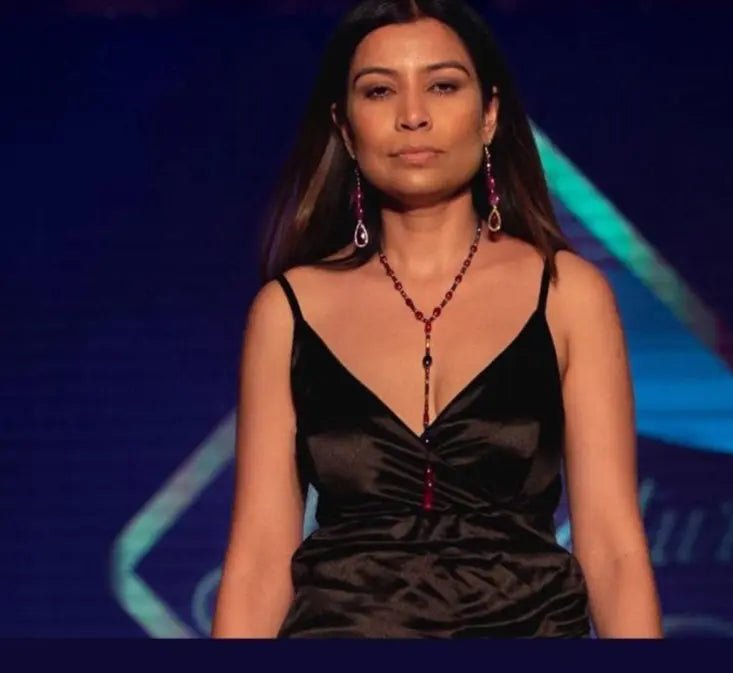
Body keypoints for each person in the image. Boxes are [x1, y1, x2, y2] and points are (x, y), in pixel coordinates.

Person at [211, 0, 662, 639]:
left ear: (490, 114)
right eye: (379, 90)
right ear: (345, 127)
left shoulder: (568, 295)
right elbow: (258, 559)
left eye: (443, 86)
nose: (413, 115)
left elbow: (613, 548)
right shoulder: (288, 310)